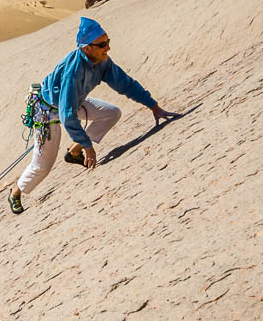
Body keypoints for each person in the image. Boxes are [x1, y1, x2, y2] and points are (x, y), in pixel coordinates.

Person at [9, 17, 179, 214]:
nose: (107, 48)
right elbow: (67, 114)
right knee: (42, 166)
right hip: (48, 110)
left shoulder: (102, 61)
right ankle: (15, 193)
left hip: (73, 102)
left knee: (111, 113)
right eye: (102, 45)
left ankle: (73, 152)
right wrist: (88, 147)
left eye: (108, 42)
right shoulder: (72, 73)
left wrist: (153, 105)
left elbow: (125, 83)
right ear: (86, 48)